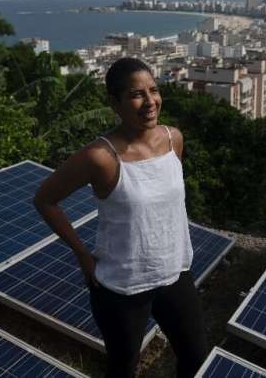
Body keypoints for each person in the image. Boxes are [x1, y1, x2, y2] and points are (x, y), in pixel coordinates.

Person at [33, 57, 208, 378]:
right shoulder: (100, 157)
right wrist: (83, 255)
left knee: (196, 356)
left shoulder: (173, 139)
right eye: (136, 95)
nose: (149, 101)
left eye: (153, 90)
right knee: (123, 367)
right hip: (121, 286)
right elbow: (45, 200)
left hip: (173, 272)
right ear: (114, 102)